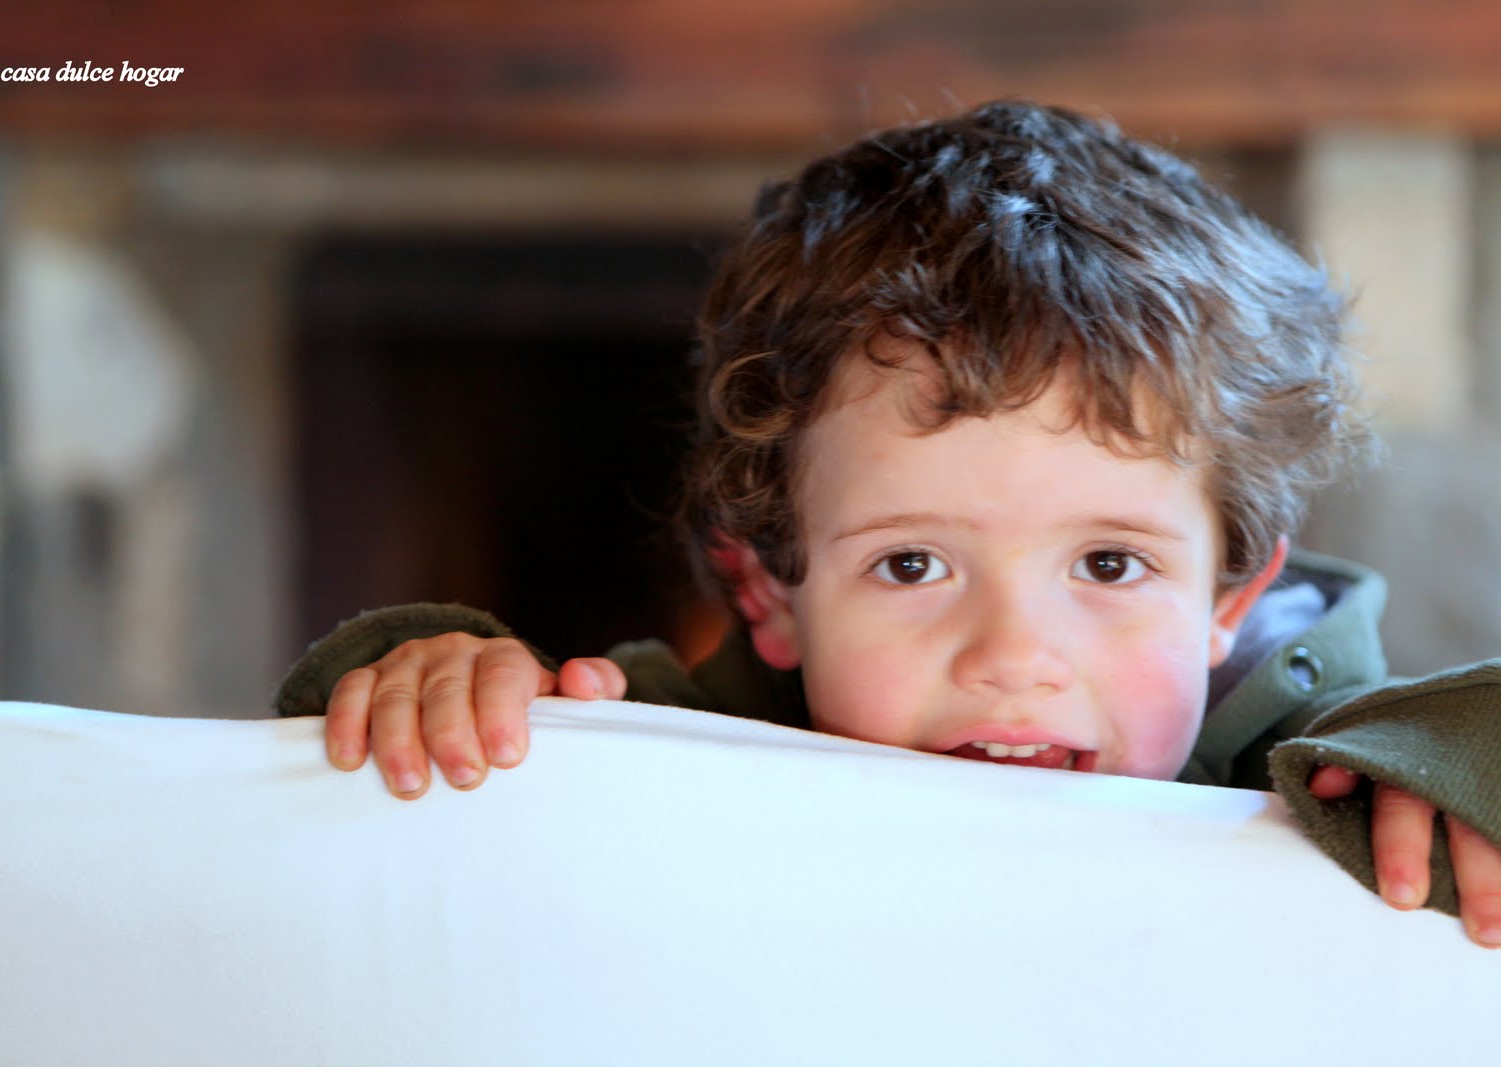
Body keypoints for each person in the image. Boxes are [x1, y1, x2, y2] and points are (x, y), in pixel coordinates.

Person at [275, 101, 1501, 947]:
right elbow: (332, 804)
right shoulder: (679, 746)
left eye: (1110, 562)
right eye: (912, 562)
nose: (1014, 653)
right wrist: (425, 668)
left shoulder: (1327, 769)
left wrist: (1460, 765)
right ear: (768, 595)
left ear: (1227, 598)